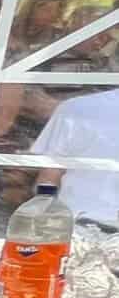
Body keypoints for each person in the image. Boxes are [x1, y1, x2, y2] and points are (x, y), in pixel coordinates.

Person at [34, 84, 119, 225]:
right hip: (75, 225)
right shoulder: (77, 109)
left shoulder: (76, 108)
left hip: (74, 223)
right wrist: (43, 218)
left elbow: (50, 174)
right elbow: (50, 174)